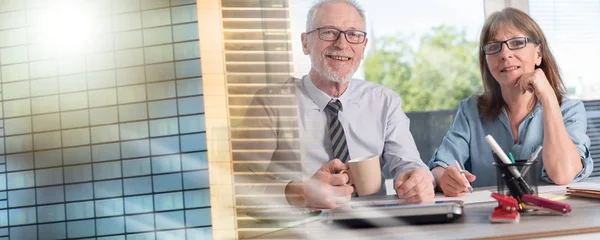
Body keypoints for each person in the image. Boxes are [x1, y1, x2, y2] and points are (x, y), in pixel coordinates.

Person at [242, 0, 434, 209]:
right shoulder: (271, 104)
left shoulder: (384, 101)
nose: (342, 44)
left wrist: (416, 179)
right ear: (305, 43)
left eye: (353, 34)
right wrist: (300, 194)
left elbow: (408, 163)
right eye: (328, 32)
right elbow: (237, 186)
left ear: (363, 47)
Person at [428, 7, 593, 197]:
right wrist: (444, 178)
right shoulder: (470, 110)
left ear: (538, 54)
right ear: (486, 60)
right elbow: (440, 167)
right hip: (492, 220)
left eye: (516, 42)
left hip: (551, 218)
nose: (505, 54)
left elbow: (562, 175)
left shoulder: (570, 110)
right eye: (493, 47)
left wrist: (548, 97)